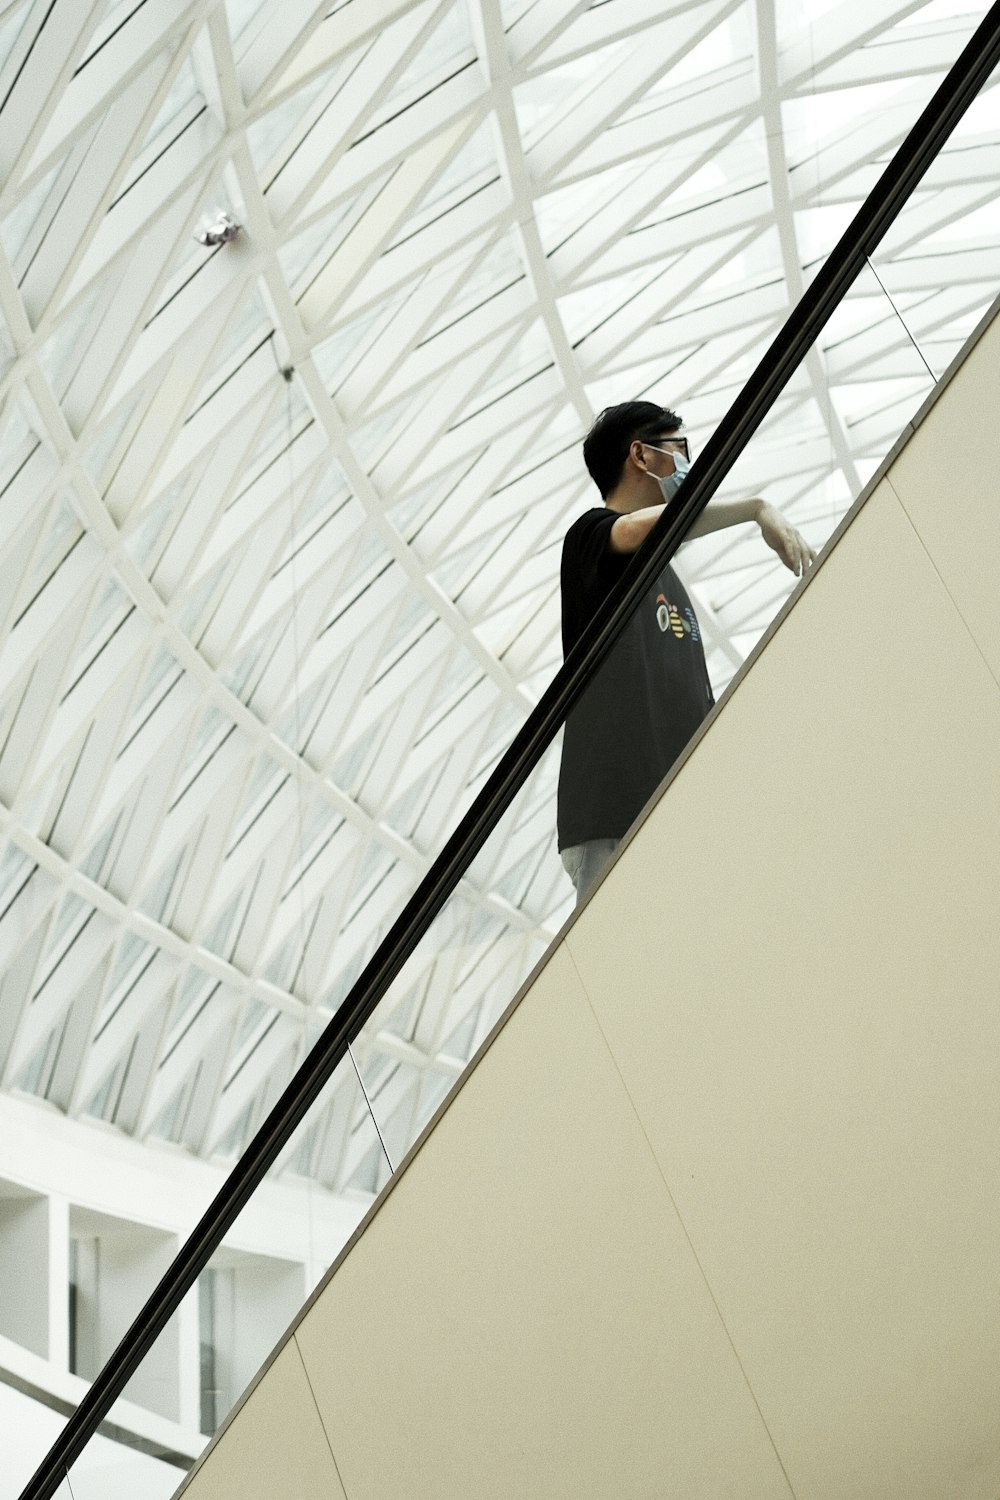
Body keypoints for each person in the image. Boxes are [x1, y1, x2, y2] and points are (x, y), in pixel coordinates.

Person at [557, 401, 816, 903]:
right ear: (642, 455)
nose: (690, 464)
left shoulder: (665, 580)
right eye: (681, 449)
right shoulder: (590, 536)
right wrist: (754, 508)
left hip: (679, 811)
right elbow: (635, 531)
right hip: (616, 810)